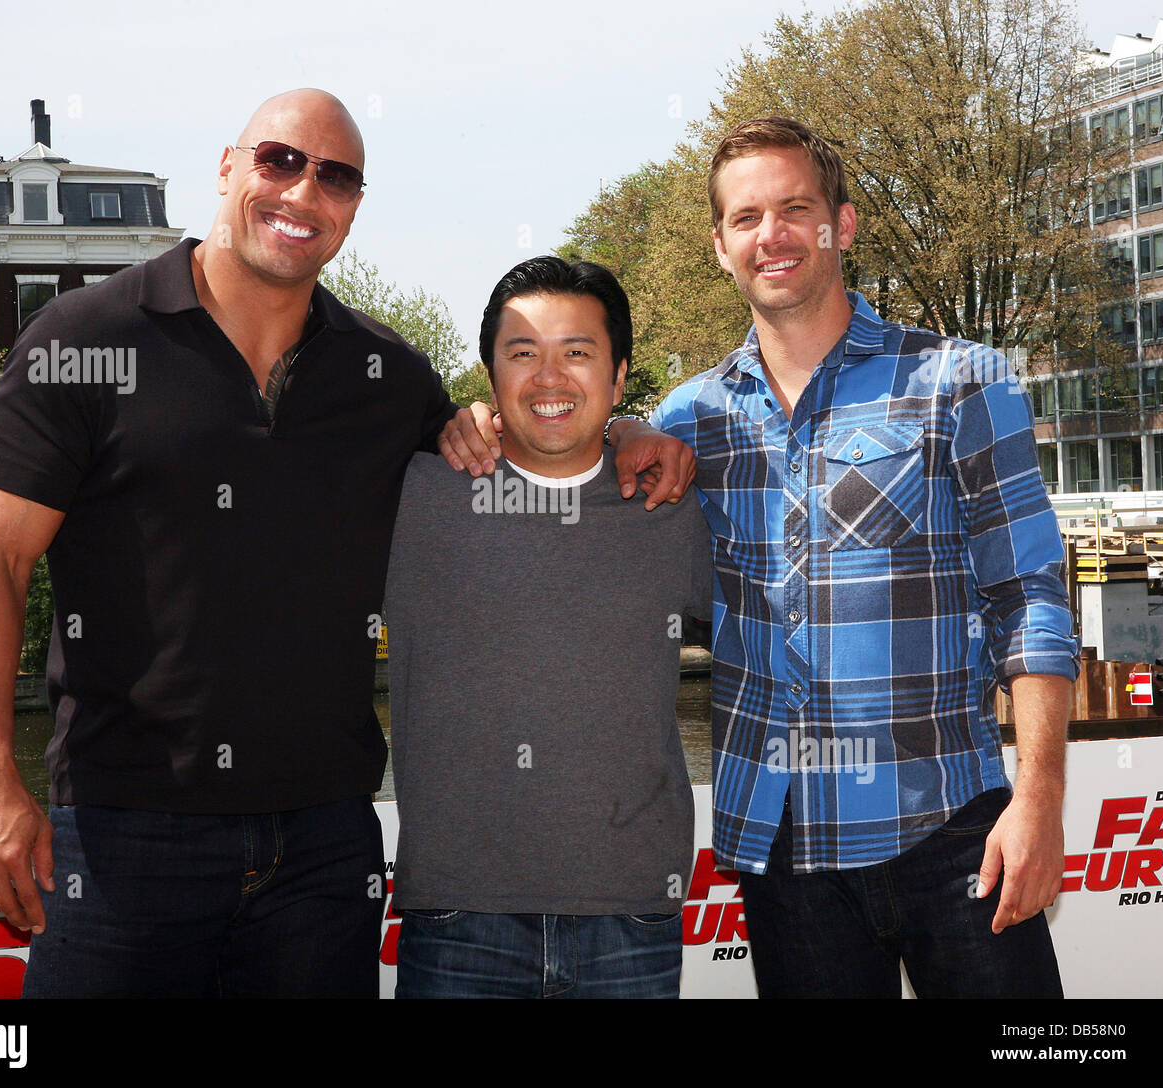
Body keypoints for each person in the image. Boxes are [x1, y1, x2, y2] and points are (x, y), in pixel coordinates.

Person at [445, 117, 1079, 998]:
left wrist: (1040, 798)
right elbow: (577, 460)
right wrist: (502, 421)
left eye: (794, 209)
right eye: (745, 218)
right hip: (784, 856)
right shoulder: (688, 423)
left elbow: (1032, 598)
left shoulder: (961, 382)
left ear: (842, 227)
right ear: (719, 244)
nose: (770, 235)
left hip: (955, 835)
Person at [0, 89, 466, 998]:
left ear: (354, 208)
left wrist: (628, 440)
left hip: (326, 847)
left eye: (337, 177)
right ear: (227, 167)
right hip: (120, 842)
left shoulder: (389, 376)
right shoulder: (84, 338)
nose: (304, 191)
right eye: (281, 160)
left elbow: (529, 448)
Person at [385, 256, 713, 998]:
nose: (550, 377)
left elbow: (773, 645)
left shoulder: (671, 504)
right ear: (490, 376)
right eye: (523, 353)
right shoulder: (416, 496)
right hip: (456, 917)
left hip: (633, 918)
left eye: (578, 353)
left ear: (621, 376)